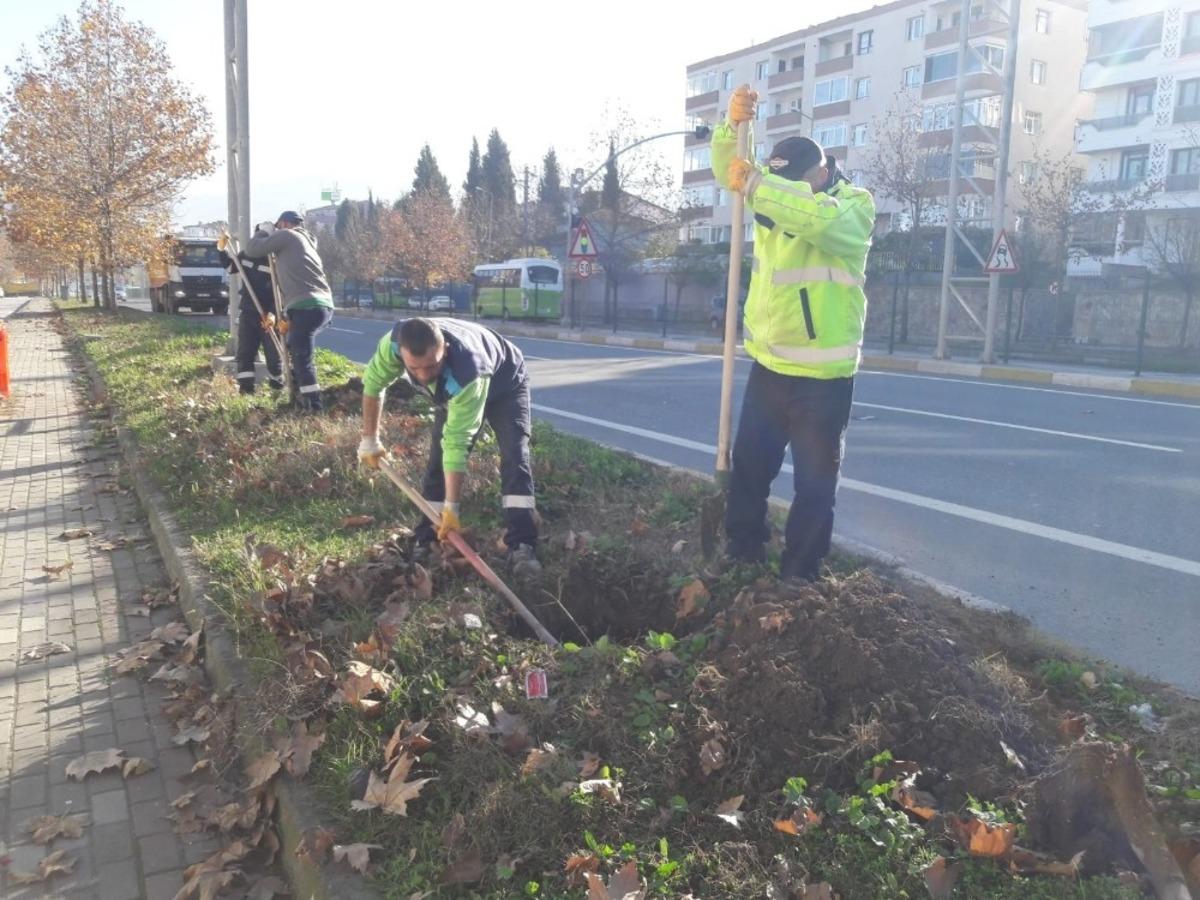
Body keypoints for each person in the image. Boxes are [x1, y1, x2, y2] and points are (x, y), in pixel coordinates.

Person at [713, 85, 876, 581]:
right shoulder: (773, 195)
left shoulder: (853, 207)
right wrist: (731, 131)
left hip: (823, 378)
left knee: (815, 484)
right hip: (769, 368)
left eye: (797, 186)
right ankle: (743, 553)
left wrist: (761, 185)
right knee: (749, 469)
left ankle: (800, 574)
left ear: (822, 175)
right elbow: (732, 171)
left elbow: (815, 219)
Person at [356, 317, 541, 577]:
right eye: (414, 369)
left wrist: (452, 509)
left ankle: (522, 542)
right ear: (402, 353)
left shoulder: (468, 370)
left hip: (505, 383)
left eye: (431, 366)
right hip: (451, 388)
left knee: (514, 453)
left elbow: (457, 442)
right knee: (437, 458)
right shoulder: (393, 345)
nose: (422, 376)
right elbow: (373, 386)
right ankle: (428, 535)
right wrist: (369, 439)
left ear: (445, 350)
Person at [243, 211, 334, 411]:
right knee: (295, 349)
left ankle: (313, 407)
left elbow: (252, 249)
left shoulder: (287, 235)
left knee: (301, 356)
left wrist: (263, 233)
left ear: (284, 224)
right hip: (319, 305)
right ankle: (298, 395)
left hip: (306, 306)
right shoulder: (308, 241)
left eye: (277, 227)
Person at [218, 227, 283, 394]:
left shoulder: (275, 261)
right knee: (245, 351)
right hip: (248, 310)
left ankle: (277, 385)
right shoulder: (246, 255)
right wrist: (222, 248)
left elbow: (281, 291)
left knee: (273, 353)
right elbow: (231, 267)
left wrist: (273, 313)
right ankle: (246, 389)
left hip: (268, 313)